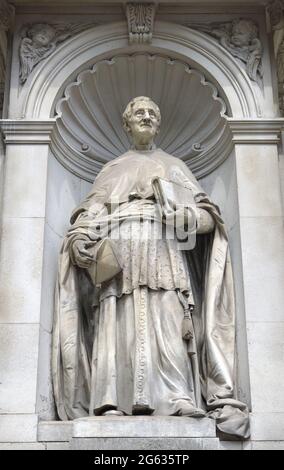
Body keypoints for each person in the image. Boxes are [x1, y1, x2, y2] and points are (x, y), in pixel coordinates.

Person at [52, 96, 249, 439]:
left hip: (165, 247)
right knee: (116, 319)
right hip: (119, 251)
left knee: (170, 315)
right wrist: (80, 236)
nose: (146, 117)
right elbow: (91, 211)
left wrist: (184, 216)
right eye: (138, 113)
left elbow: (206, 217)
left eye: (152, 113)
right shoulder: (113, 168)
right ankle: (109, 398)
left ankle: (177, 395)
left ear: (159, 124)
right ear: (126, 125)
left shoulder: (174, 167)